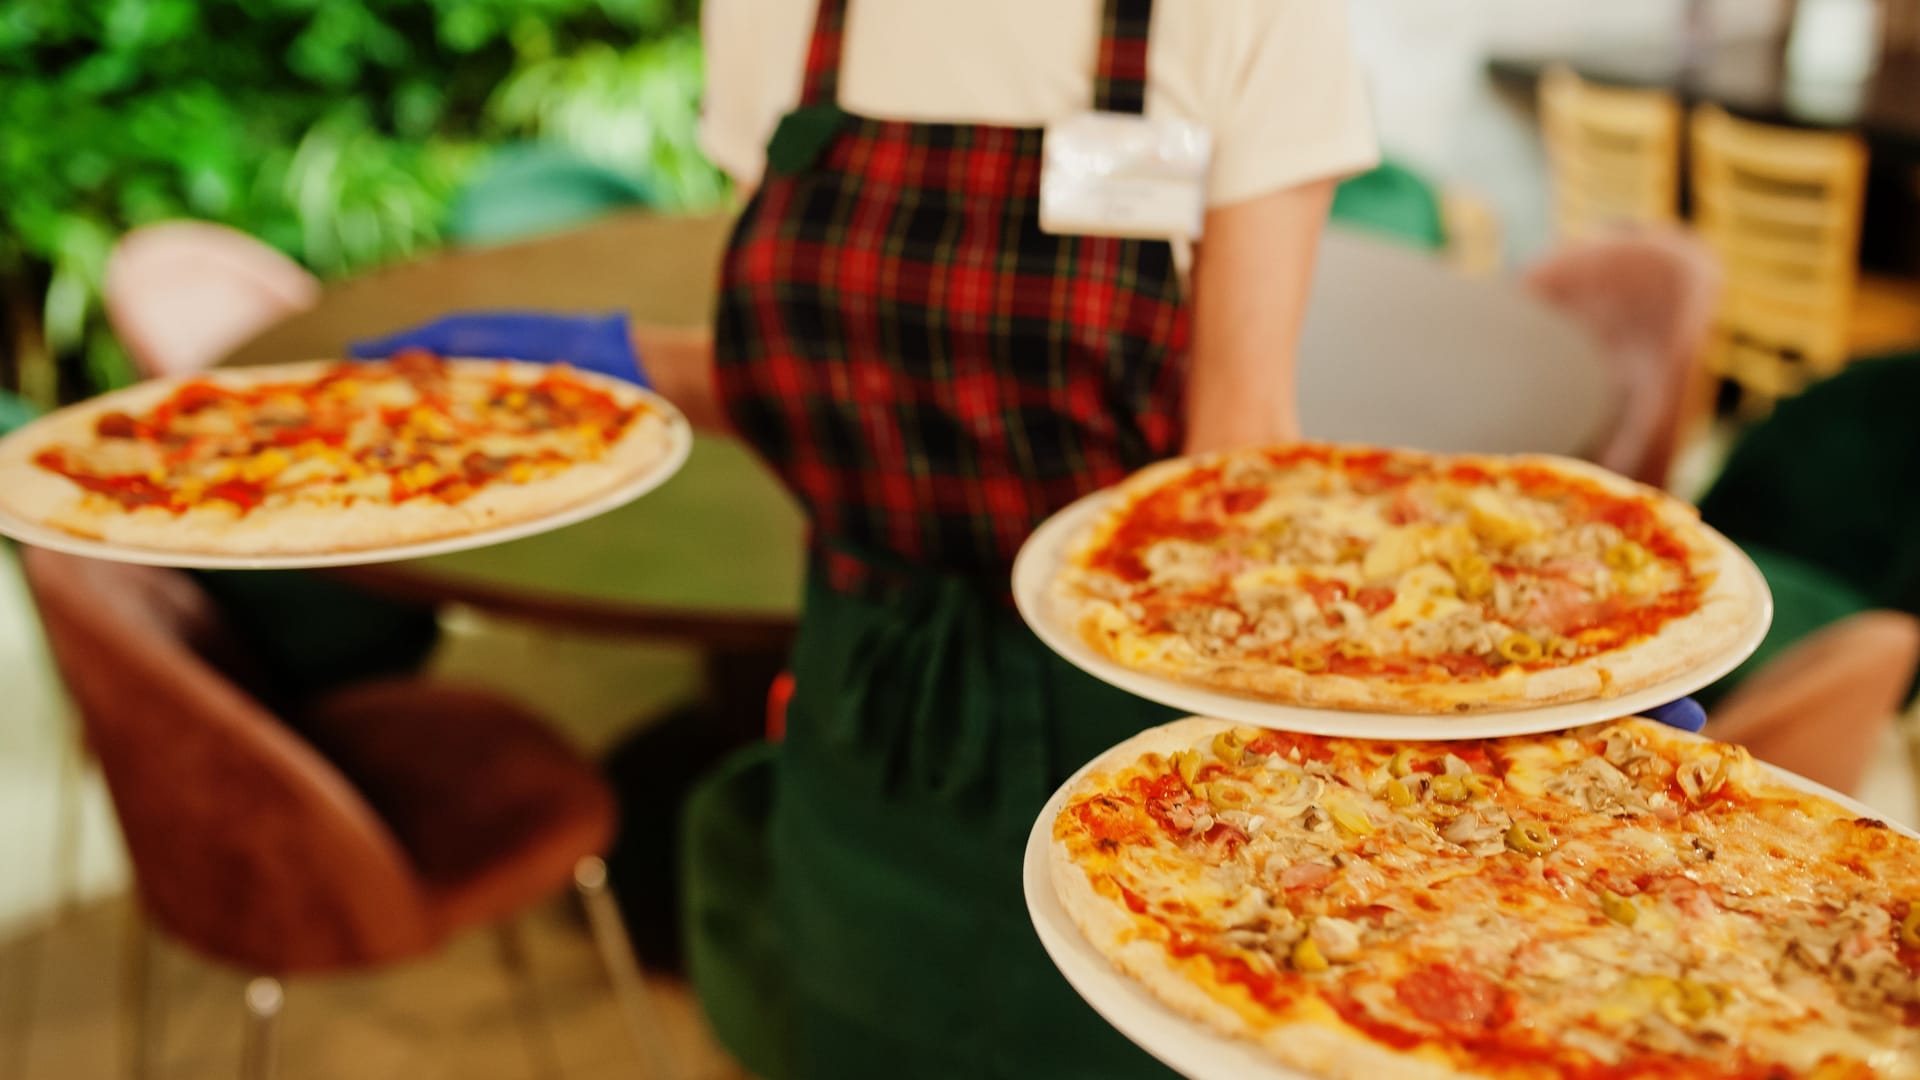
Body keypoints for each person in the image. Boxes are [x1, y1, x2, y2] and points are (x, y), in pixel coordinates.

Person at [354, 2, 1704, 1075]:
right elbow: (843, 350)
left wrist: (1472, 680)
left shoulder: (1236, 13)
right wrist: (597, 371)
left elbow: (1237, 449)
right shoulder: (778, 12)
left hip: (1143, 730)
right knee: (859, 1036)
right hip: (865, 698)